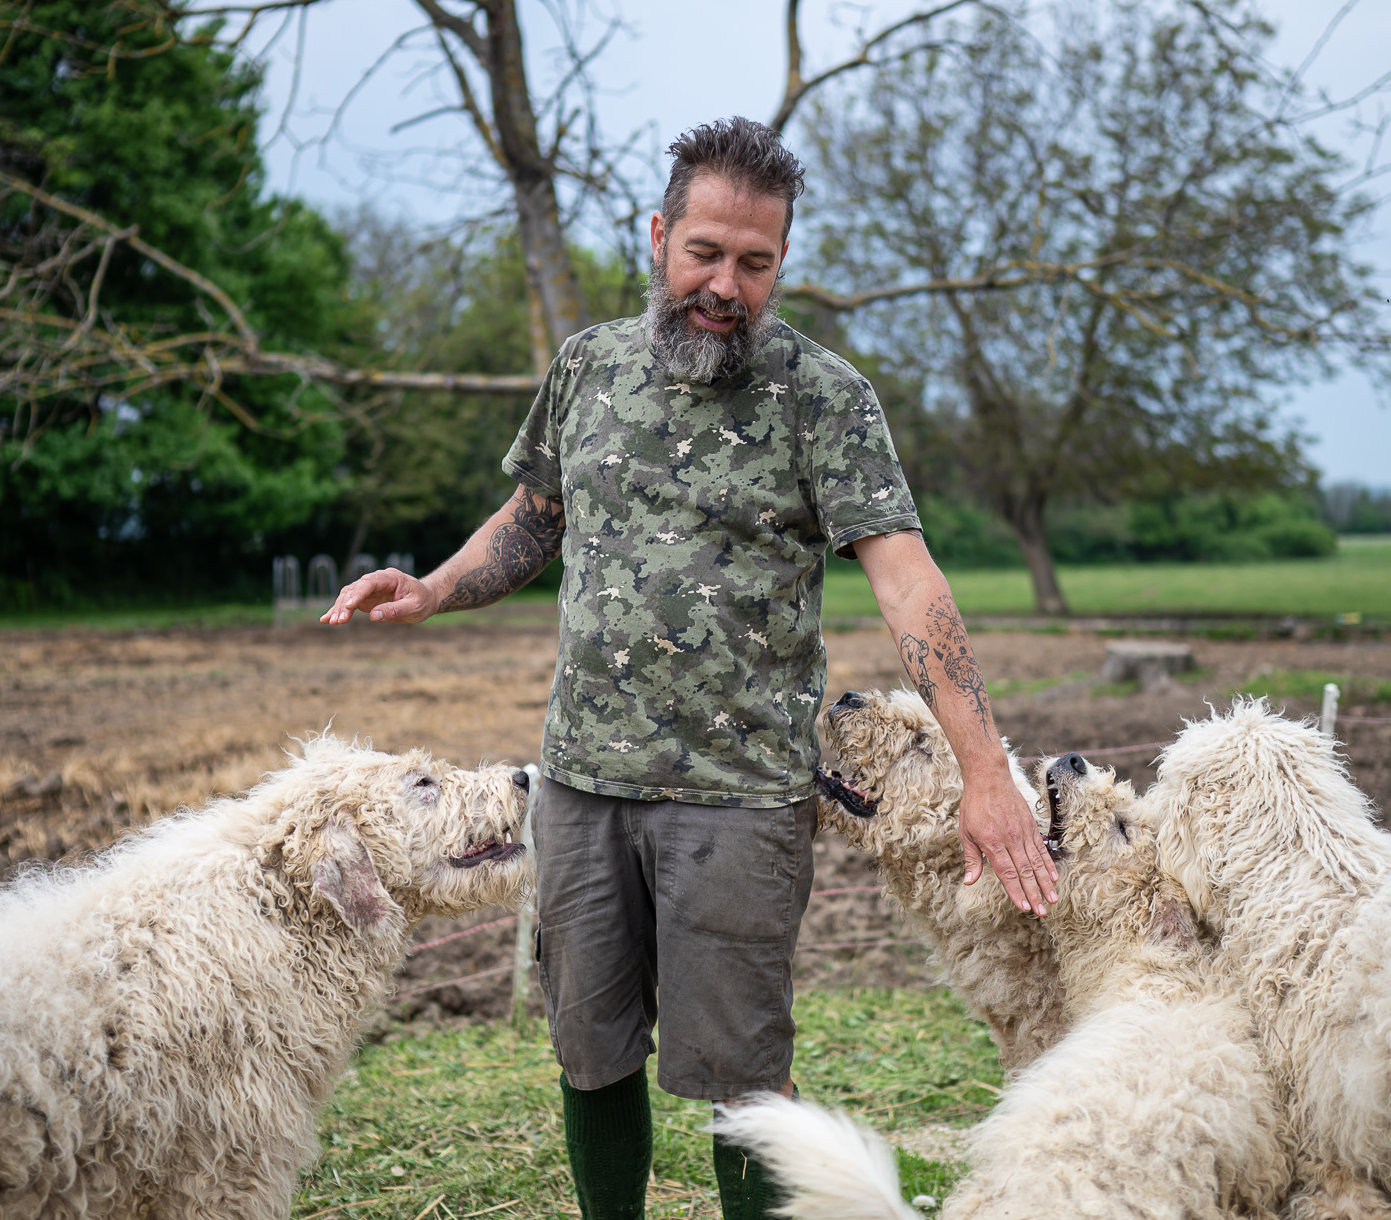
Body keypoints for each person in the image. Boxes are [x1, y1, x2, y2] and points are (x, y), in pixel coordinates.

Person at [322, 117, 1056, 1220]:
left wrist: (985, 772)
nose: (724, 284)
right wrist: (433, 586)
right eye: (705, 252)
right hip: (582, 783)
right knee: (590, 1052)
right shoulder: (587, 367)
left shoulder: (825, 398)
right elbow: (533, 517)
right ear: (659, 235)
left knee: (741, 1080)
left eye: (753, 262)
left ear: (782, 260)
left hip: (741, 800)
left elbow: (910, 584)